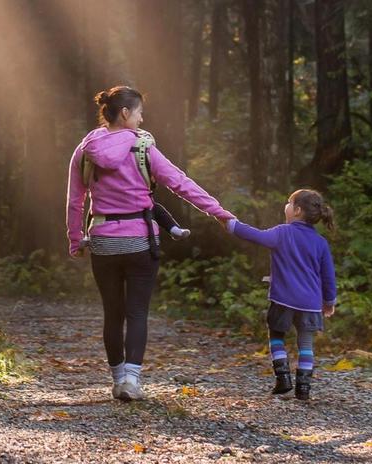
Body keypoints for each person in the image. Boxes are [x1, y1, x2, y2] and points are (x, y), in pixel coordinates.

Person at [66, 85, 235, 401]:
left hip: (103, 241)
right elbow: (180, 183)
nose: (142, 119)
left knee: (112, 313)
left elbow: (75, 200)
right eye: (139, 113)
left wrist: (76, 239)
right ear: (125, 113)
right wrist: (218, 212)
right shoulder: (143, 147)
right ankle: (132, 381)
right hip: (140, 242)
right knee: (137, 313)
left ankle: (118, 380)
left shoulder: (86, 149)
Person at [224, 189, 337, 401]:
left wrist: (232, 224)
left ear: (297, 210)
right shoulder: (320, 242)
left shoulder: (283, 233)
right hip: (310, 303)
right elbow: (328, 276)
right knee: (306, 344)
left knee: (276, 335)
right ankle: (303, 388)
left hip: (283, 299)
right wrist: (329, 301)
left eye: (289, 202)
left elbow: (256, 235)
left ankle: (283, 378)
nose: (286, 206)